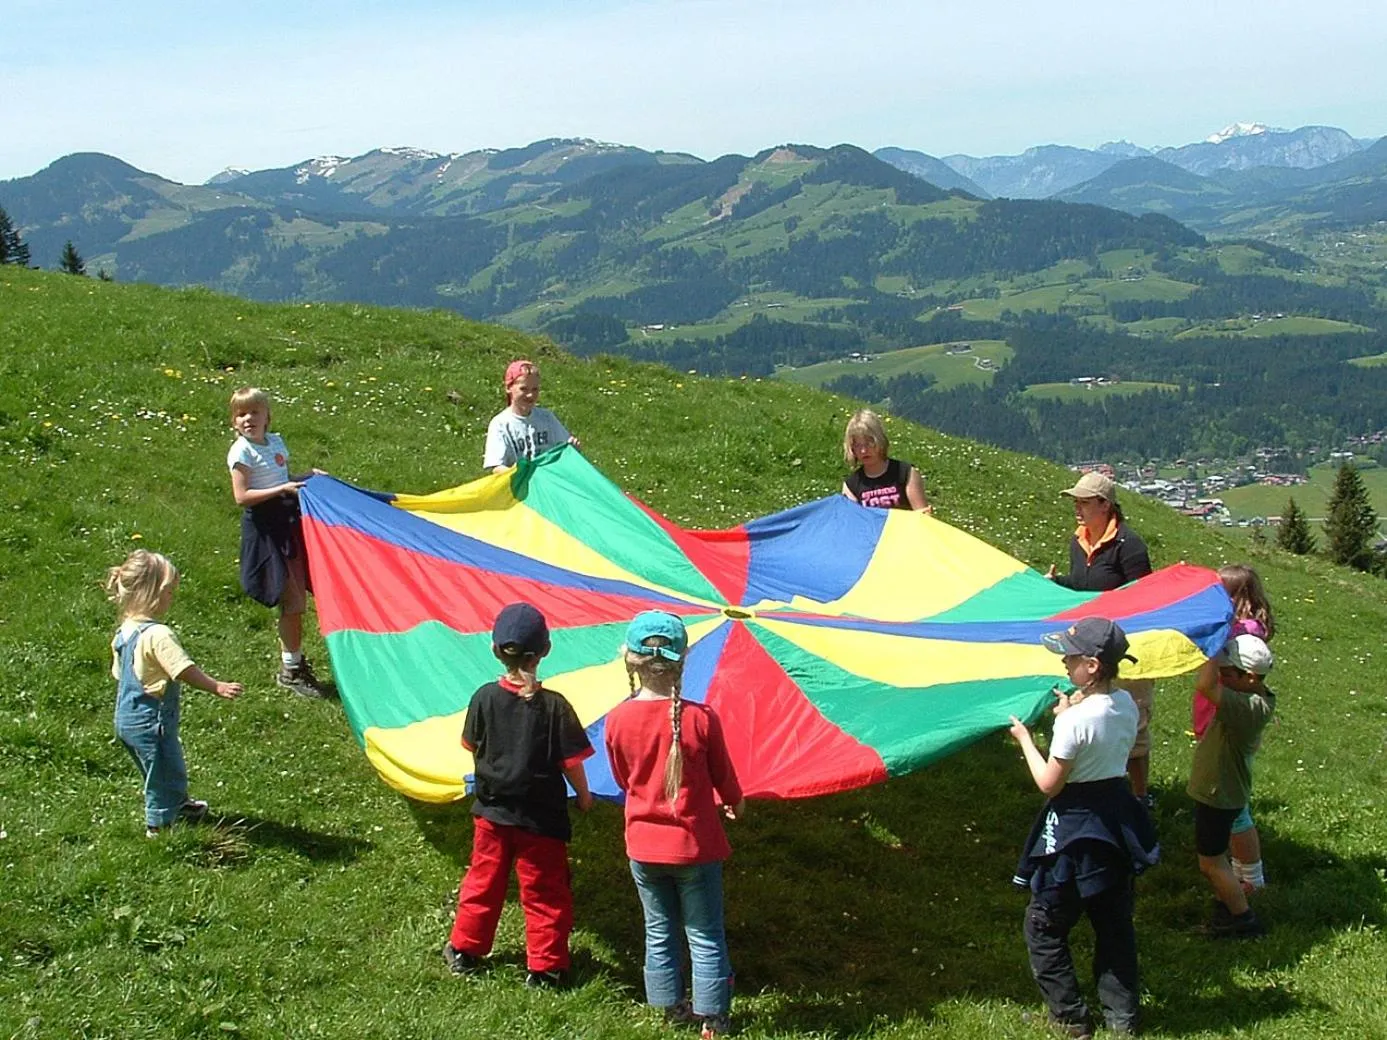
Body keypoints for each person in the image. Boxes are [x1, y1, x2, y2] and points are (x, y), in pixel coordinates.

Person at [1009, 617, 1157, 1039]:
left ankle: (1070, 1017)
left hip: (1076, 828)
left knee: (1044, 923)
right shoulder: (1127, 704)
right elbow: (1105, 739)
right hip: (1117, 820)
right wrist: (1073, 711)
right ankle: (1122, 1019)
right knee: (1113, 924)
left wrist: (1025, 739)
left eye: (1071, 657)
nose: (1064, 663)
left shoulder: (1074, 723)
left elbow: (1049, 784)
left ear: (1092, 666)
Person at [604, 611, 744, 1040]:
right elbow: (724, 777)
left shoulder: (617, 721)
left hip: (644, 848)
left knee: (658, 929)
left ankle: (668, 1005)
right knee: (704, 933)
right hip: (695, 848)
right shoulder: (701, 719)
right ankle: (713, 1016)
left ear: (630, 661)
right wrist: (735, 802)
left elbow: (622, 778)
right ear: (682, 663)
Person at [443, 602, 594, 988]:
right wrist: (583, 794)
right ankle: (546, 968)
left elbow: (471, 745)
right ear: (546, 650)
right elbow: (570, 761)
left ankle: (465, 948)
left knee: (483, 880)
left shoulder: (483, 698)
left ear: (495, 650)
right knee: (544, 891)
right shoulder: (554, 707)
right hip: (540, 821)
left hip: (491, 815)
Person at [106, 550, 242, 837]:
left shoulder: (125, 631)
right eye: (169, 591)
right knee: (163, 772)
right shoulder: (158, 635)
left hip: (126, 717)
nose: (172, 597)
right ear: (150, 593)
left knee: (161, 767)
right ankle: (159, 824)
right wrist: (215, 685)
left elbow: (120, 674)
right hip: (150, 721)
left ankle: (178, 804)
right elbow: (182, 669)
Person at [1046, 471, 1155, 803]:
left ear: (1105, 505)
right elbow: (1083, 585)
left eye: (1084, 503)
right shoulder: (1077, 541)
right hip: (1091, 642)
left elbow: (1145, 595)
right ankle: (1097, 781)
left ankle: (1139, 796)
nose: (1078, 510)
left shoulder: (1129, 545)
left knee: (1133, 721)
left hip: (1125, 641)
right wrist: (1057, 583)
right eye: (1076, 503)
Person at [226, 386, 329, 697]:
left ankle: (294, 664)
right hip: (266, 530)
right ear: (234, 422)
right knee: (291, 601)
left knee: (298, 602)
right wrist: (283, 489)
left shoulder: (275, 443)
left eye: (254, 412)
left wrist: (307, 475)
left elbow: (281, 477)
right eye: (241, 414)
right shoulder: (241, 452)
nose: (248, 419)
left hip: (287, 523)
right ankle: (290, 670)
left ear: (267, 416)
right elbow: (242, 496)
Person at [1187, 633, 1275, 939]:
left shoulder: (1248, 707)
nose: (1221, 678)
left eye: (1227, 673)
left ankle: (1243, 918)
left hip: (1218, 793)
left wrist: (1212, 646)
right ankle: (1229, 906)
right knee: (1216, 857)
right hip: (1223, 791)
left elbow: (1204, 686)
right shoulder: (1255, 696)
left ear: (1250, 677)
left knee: (1210, 862)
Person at [1194, 564, 1275, 893]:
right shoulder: (1234, 628)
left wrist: (1218, 628)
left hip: (1228, 717)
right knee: (1232, 806)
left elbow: (1219, 675)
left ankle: (1250, 878)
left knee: (1236, 809)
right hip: (1217, 717)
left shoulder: (1247, 632)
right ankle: (1241, 871)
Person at [483, 359, 581, 473]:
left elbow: (564, 447)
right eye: (523, 389)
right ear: (509, 388)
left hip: (547, 482)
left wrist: (572, 448)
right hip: (519, 486)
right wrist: (518, 474)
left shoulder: (547, 418)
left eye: (535, 389)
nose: (530, 395)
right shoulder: (501, 424)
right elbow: (496, 466)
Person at [840, 408, 932, 512]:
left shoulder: (906, 473)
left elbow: (922, 516)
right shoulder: (851, 485)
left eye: (869, 443)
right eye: (857, 445)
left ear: (879, 440)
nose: (863, 451)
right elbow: (852, 521)